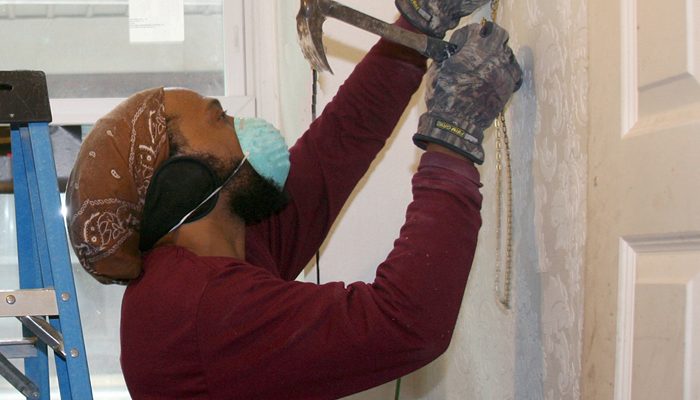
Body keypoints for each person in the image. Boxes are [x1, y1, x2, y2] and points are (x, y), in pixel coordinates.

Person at [65, 1, 522, 398]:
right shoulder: (197, 307)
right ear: (184, 179)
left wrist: (418, 21)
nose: (244, 126)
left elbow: (336, 149)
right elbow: (407, 322)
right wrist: (453, 133)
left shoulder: (221, 251)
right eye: (221, 120)